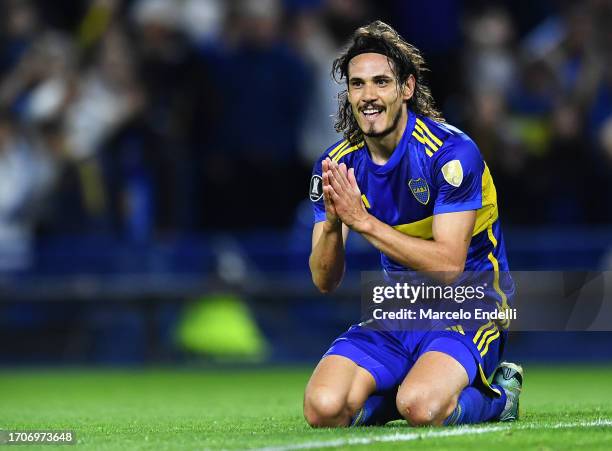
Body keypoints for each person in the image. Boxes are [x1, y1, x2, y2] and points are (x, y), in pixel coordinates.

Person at [305, 21, 522, 428]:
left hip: (472, 306)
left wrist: (363, 222)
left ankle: (501, 398)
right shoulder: (337, 165)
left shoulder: (452, 154)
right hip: (401, 308)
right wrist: (334, 226)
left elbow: (447, 267)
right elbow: (323, 280)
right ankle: (403, 389)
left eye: (381, 82)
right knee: (323, 409)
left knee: (421, 407)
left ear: (406, 88)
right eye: (357, 84)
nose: (368, 96)